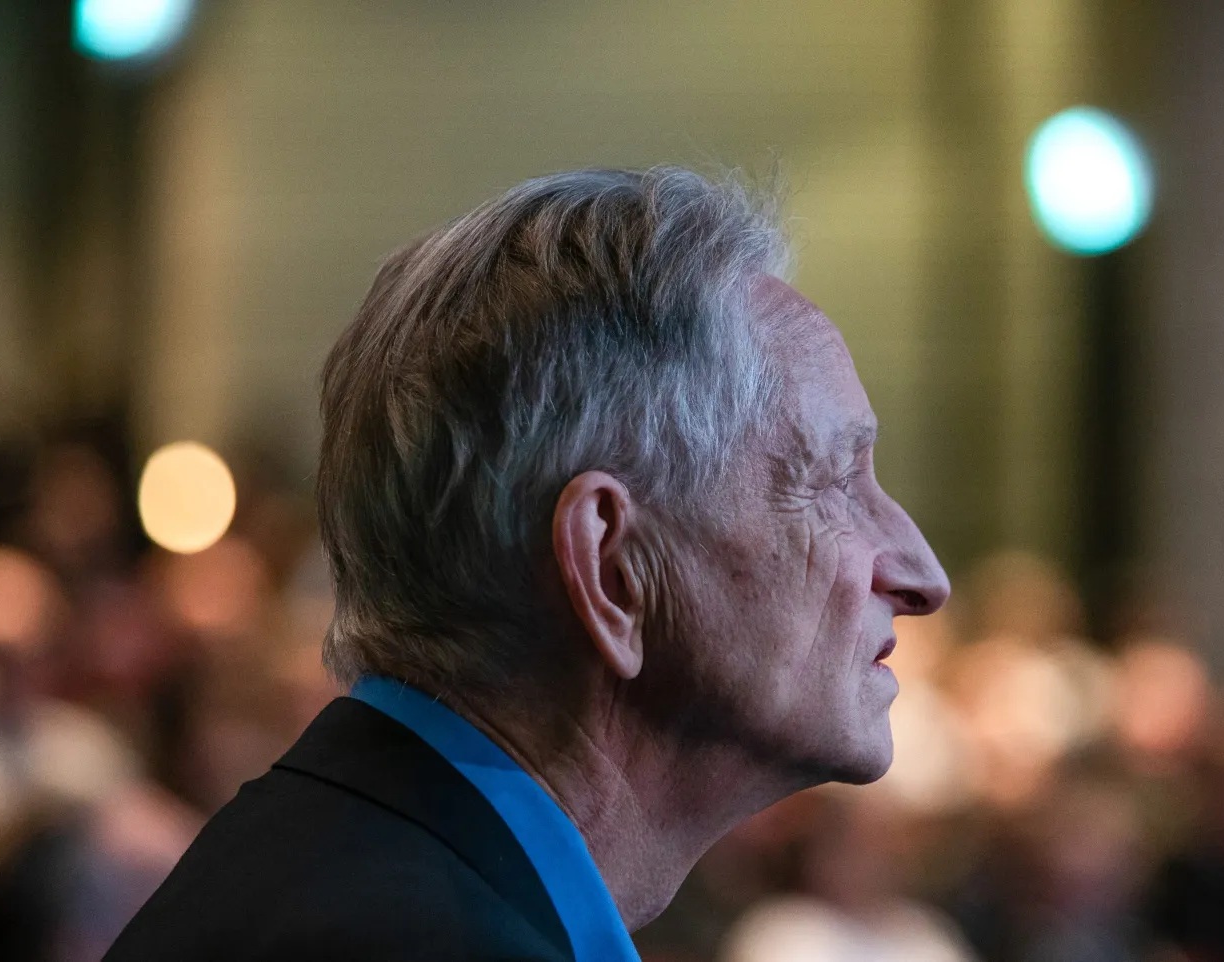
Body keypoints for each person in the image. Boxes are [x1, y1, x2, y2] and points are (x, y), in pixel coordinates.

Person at [105, 166, 949, 961]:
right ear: (612, 569)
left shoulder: (335, 859)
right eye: (833, 483)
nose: (922, 575)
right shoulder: (422, 940)